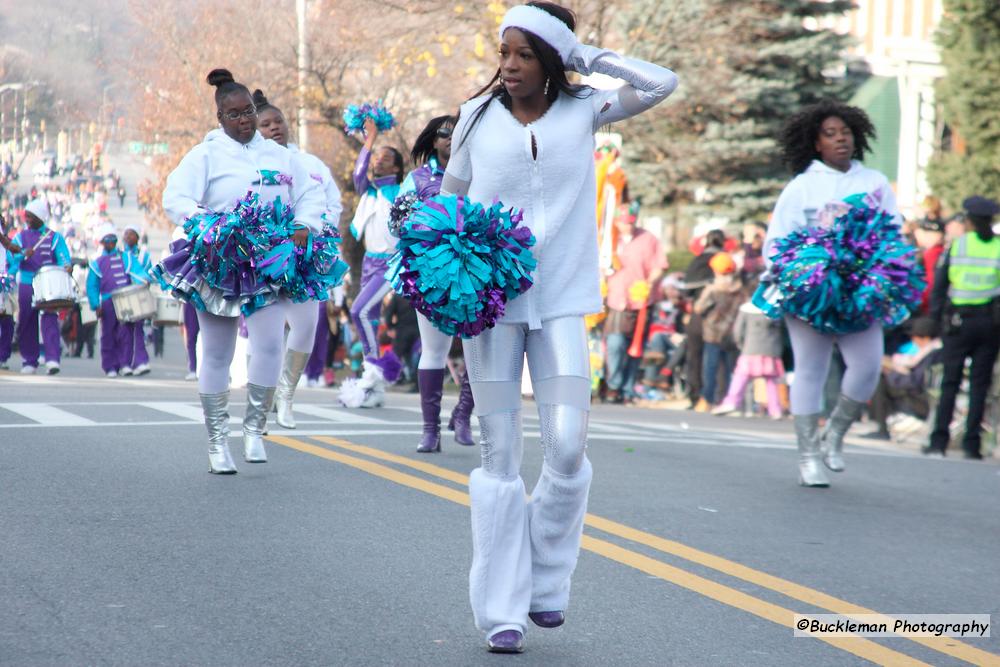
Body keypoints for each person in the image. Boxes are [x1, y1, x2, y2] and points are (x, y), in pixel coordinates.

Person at [441, 1, 677, 652]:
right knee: (502, 456)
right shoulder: (474, 118)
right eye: (504, 54)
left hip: (564, 301)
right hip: (493, 310)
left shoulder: (585, 109)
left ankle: (546, 580)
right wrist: (448, 283)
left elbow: (662, 83)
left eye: (524, 53)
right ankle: (502, 607)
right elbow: (447, 205)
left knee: (569, 446)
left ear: (550, 59)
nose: (509, 66)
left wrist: (587, 58)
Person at [158, 69, 325, 473]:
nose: (245, 120)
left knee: (269, 344)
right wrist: (207, 225)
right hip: (220, 262)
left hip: (269, 263)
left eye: (248, 111)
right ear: (220, 118)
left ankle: (254, 429)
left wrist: (305, 224)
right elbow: (175, 197)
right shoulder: (206, 155)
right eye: (234, 115)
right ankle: (217, 441)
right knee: (217, 351)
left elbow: (309, 192)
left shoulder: (279, 155)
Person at [764, 99, 902, 486]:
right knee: (810, 369)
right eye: (830, 134)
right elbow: (777, 241)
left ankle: (834, 435)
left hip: (861, 290)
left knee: (868, 366)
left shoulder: (874, 182)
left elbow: (894, 231)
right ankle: (808, 456)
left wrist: (883, 269)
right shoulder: (803, 186)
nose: (840, 139)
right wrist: (798, 273)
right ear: (816, 143)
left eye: (846, 132)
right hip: (811, 292)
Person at [253, 89, 344, 427]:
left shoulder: (310, 164)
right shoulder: (251, 163)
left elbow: (329, 202)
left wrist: (317, 230)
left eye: (278, 121)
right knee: (269, 334)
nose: (275, 127)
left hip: (305, 255)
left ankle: (286, 395)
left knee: (306, 327)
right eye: (266, 124)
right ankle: (260, 406)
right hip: (264, 260)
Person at [394, 114, 477, 451]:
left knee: (478, 348)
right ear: (433, 140)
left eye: (457, 134)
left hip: (475, 272)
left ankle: (463, 413)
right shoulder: (416, 179)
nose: (450, 139)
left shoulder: (480, 172)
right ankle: (430, 430)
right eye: (444, 134)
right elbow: (398, 223)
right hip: (431, 275)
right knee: (434, 350)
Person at [926, 196, 1000, 459]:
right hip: (990, 324)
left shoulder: (958, 246)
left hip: (958, 323)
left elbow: (940, 286)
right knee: (980, 385)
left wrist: (936, 320)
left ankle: (938, 442)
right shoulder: (998, 247)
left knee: (950, 382)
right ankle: (972, 445)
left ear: (968, 221)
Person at [347, 116, 405, 408]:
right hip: (370, 262)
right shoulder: (368, 192)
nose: (378, 161)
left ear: (396, 167)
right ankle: (377, 390)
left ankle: (372, 368)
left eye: (385, 158)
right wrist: (368, 140)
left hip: (391, 264)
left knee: (358, 311)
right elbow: (358, 172)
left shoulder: (402, 193)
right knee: (369, 318)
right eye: (376, 157)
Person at [603, 202, 667, 403]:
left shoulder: (649, 240)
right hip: (616, 300)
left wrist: (649, 283)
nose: (627, 226)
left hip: (641, 302)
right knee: (615, 344)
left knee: (635, 347)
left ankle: (628, 389)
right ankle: (613, 385)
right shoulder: (609, 240)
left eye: (630, 222)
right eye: (623, 223)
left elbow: (660, 265)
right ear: (616, 222)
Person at [7, 197, 72, 374]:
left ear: (40, 217)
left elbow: (64, 257)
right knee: (26, 321)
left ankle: (52, 359)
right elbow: (11, 261)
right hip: (27, 283)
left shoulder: (54, 237)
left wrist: (67, 266)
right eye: (26, 216)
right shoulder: (20, 237)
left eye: (30, 216)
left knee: (50, 320)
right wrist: (21, 254)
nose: (27, 219)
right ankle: (30, 361)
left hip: (48, 285)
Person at [86, 225, 149, 377]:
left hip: (126, 300)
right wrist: (95, 305)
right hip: (107, 302)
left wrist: (144, 281)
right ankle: (110, 366)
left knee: (126, 332)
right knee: (107, 334)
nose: (110, 242)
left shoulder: (126, 257)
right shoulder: (97, 263)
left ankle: (125, 364)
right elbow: (92, 286)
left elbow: (138, 273)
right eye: (107, 240)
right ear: (102, 242)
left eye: (113, 239)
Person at [865, 317, 940, 441]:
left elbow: (916, 381)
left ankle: (882, 428)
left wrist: (892, 374)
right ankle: (882, 426)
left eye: (915, 337)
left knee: (880, 380)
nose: (913, 340)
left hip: (921, 398)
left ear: (925, 338)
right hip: (924, 395)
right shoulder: (932, 351)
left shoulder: (933, 355)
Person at [711, 300, 786, 419]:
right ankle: (775, 409)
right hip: (771, 350)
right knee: (772, 381)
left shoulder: (746, 309)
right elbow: (782, 332)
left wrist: (742, 346)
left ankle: (731, 402)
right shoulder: (776, 308)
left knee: (740, 377)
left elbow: (738, 331)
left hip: (750, 349)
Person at [692, 252, 744, 410]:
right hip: (731, 333)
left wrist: (706, 292)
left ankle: (707, 399)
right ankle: (725, 399)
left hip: (713, 334)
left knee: (710, 367)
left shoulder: (714, 290)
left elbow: (699, 308)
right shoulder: (740, 289)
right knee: (728, 368)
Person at [121, 223, 152, 375]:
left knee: (137, 330)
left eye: (131, 234)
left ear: (137, 238)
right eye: (126, 234)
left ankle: (141, 361)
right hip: (122, 297)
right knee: (125, 330)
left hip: (138, 296)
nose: (127, 237)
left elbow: (148, 275)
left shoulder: (144, 255)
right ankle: (126, 362)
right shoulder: (120, 254)